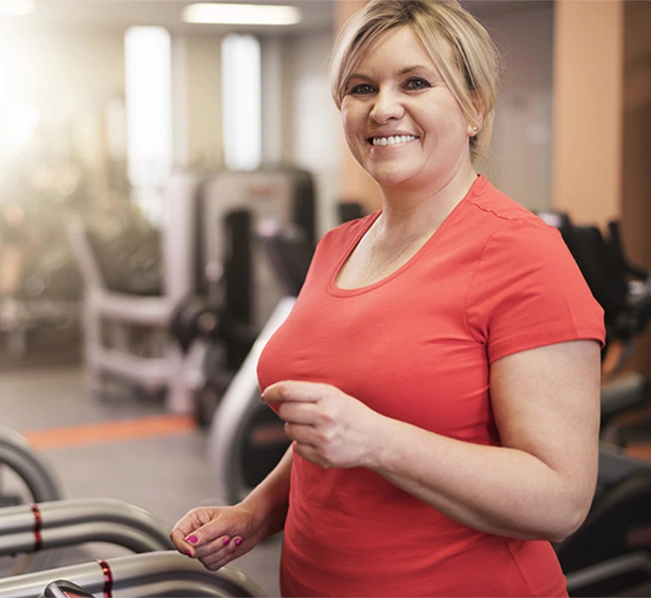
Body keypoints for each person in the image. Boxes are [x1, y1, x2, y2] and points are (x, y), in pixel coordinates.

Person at [170, 0, 606, 595]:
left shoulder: (523, 255)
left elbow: (560, 501)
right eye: (361, 87)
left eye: (416, 83)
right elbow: (328, 436)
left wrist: (379, 440)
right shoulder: (337, 247)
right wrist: (256, 511)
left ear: (475, 106)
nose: (383, 108)